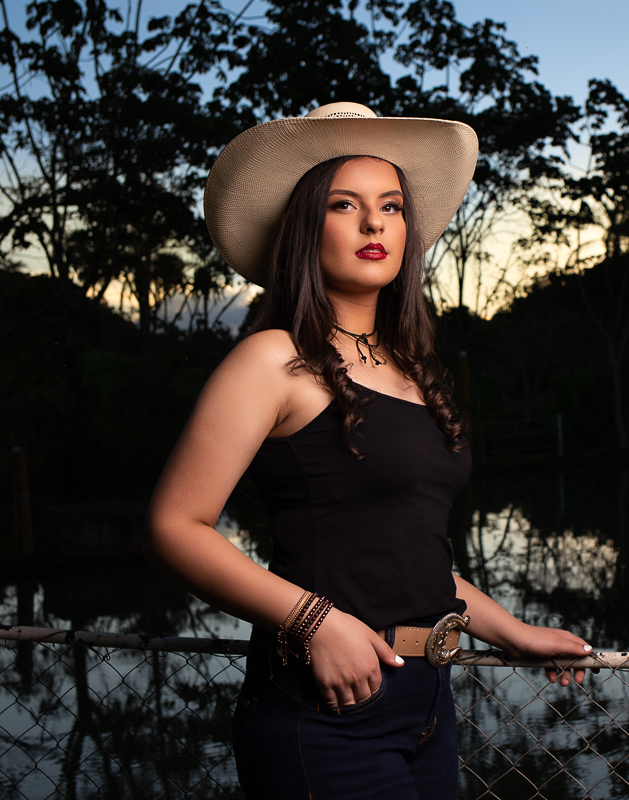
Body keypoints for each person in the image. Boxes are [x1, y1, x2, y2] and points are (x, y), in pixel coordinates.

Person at [145, 102, 592, 800]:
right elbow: (175, 525)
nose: (374, 223)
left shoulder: (414, 370)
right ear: (304, 227)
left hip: (428, 701)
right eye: (344, 204)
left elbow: (408, 559)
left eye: (390, 206)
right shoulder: (272, 359)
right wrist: (313, 622)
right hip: (324, 709)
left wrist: (513, 632)